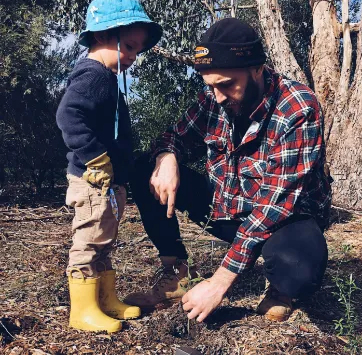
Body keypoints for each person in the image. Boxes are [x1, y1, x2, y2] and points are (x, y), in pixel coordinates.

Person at [124, 18, 331, 323]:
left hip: (285, 218)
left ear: (257, 69)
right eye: (210, 85)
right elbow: (174, 136)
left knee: (300, 268)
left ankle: (281, 290)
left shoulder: (298, 108)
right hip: (228, 208)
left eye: (226, 85)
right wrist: (167, 156)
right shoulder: (215, 98)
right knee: (145, 167)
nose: (218, 95)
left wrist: (220, 281)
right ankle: (177, 271)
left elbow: (275, 206)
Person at [56, 0, 162, 332]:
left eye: (136, 49)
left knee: (103, 238)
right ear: (103, 36)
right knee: (89, 240)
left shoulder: (105, 77)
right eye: (129, 46)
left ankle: (104, 300)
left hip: (106, 180)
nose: (133, 56)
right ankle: (83, 311)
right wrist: (95, 158)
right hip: (91, 180)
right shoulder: (94, 75)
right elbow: (68, 115)